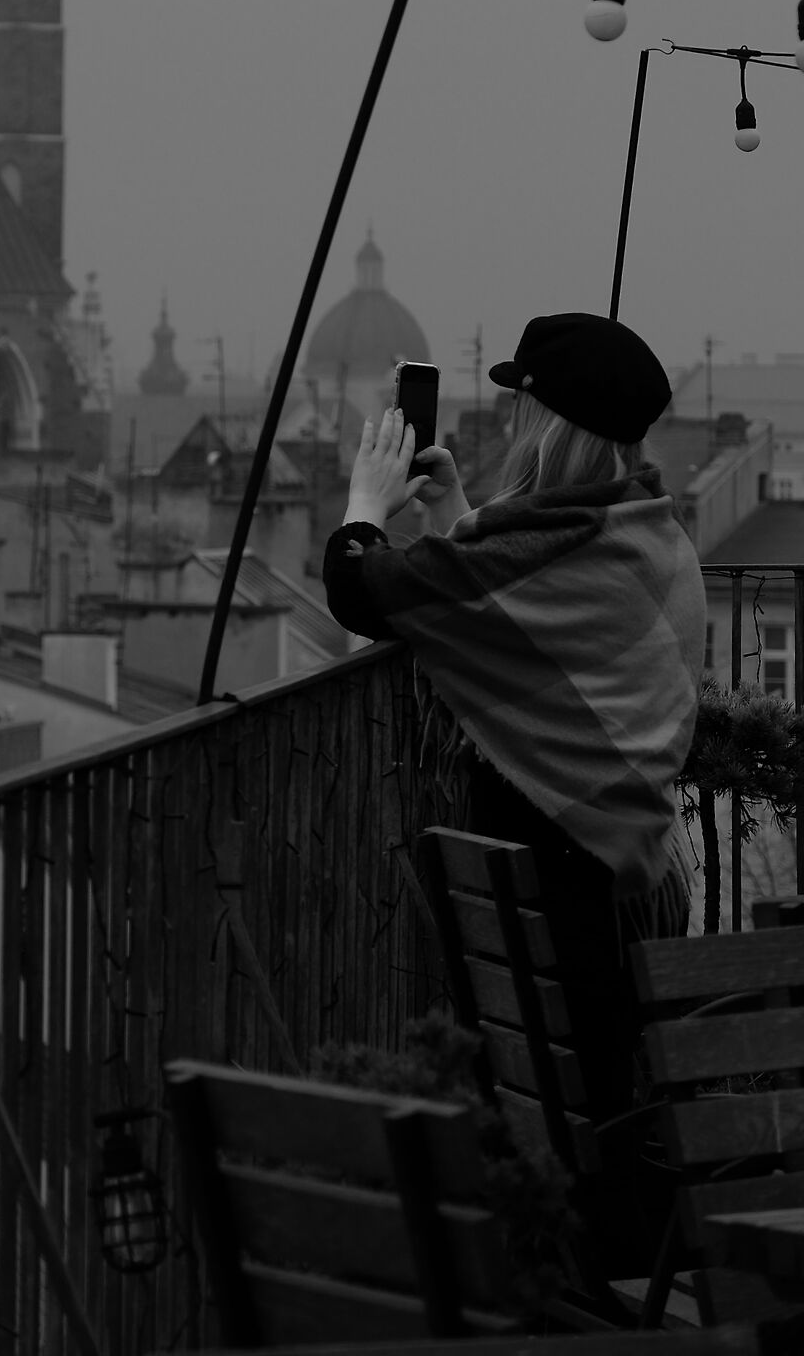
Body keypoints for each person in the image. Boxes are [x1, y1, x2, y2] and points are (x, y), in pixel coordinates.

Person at [324, 311, 706, 1268]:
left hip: (561, 896)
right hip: (623, 887)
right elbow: (524, 614)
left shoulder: (560, 551)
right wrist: (455, 515)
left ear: (551, 427)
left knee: (569, 1135)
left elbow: (362, 589)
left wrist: (365, 508)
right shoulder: (645, 534)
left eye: (520, 404)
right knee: (591, 1117)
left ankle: (575, 1284)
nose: (510, 423)